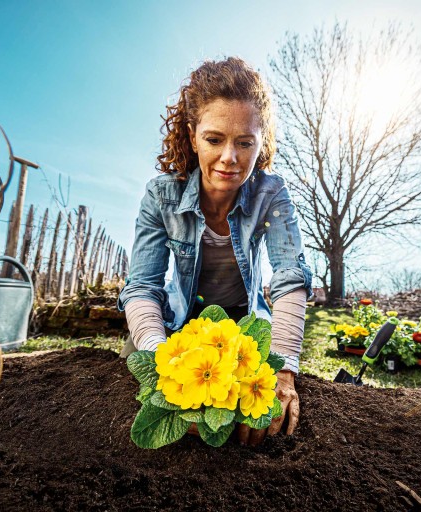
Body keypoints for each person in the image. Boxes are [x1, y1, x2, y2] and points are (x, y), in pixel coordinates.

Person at [118, 57, 312, 446]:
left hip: (244, 324)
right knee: (134, 372)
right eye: (214, 139)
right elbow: (141, 287)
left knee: (248, 400)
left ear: (262, 142)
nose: (230, 157)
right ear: (192, 137)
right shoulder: (161, 196)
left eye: (245, 142)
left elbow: (291, 276)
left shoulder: (271, 194)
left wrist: (285, 370)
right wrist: (163, 360)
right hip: (178, 322)